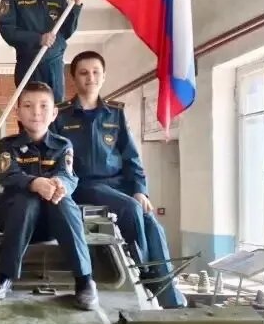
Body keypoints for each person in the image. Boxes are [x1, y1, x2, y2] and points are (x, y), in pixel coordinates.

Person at [54, 51, 186, 308]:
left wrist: (140, 190)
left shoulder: (115, 113)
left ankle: (169, 295)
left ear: (103, 76)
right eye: (83, 73)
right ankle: (144, 272)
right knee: (131, 209)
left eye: (96, 72)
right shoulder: (61, 115)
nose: (90, 78)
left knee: (151, 222)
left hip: (117, 184)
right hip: (82, 185)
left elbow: (131, 157)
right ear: (74, 78)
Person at [0, 82, 98, 311]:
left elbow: (68, 175)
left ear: (54, 113)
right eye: (28, 106)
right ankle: (5, 275)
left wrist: (60, 185)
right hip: (18, 220)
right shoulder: (8, 145)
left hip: (53, 223)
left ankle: (84, 280)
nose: (36, 112)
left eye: (44, 106)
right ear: (18, 112)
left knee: (62, 202)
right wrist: (34, 183)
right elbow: (8, 175)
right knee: (26, 199)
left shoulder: (63, 145)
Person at [0, 0, 85, 102]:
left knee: (55, 108)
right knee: (29, 106)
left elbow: (66, 30)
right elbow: (6, 28)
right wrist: (38, 38)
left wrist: (76, 6)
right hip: (29, 61)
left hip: (54, 62)